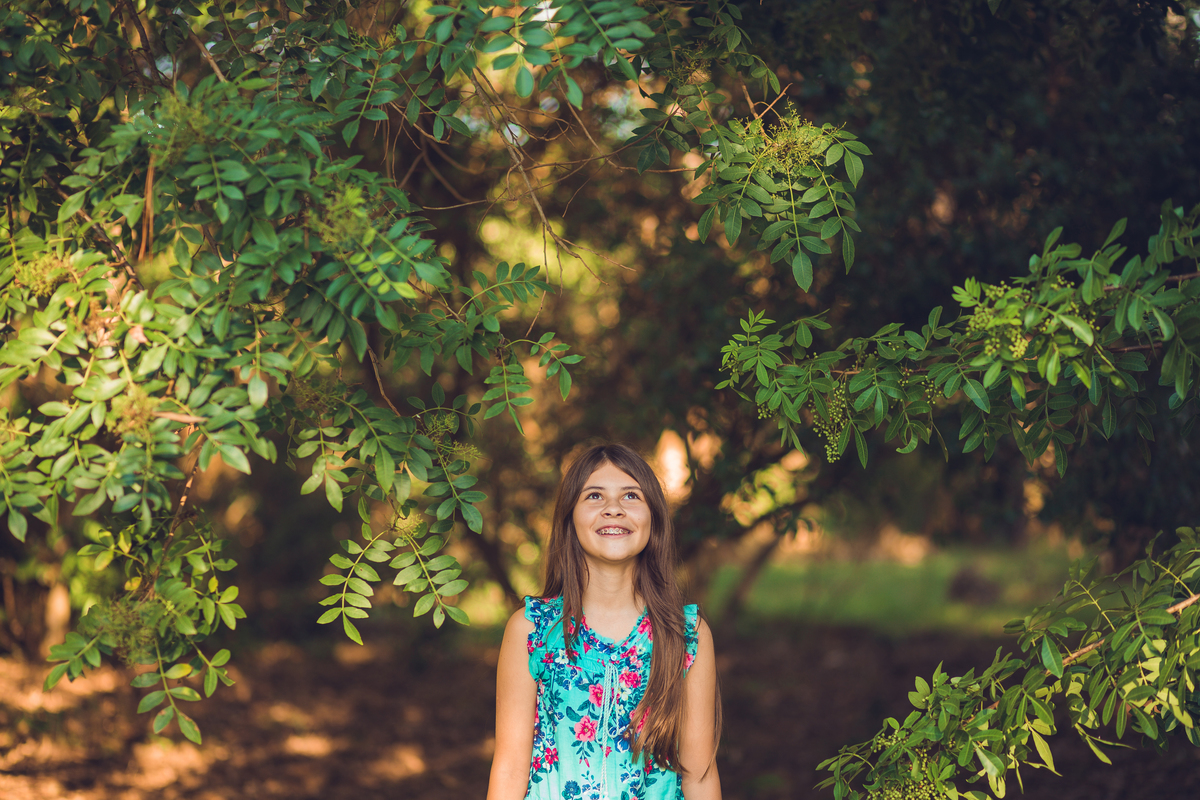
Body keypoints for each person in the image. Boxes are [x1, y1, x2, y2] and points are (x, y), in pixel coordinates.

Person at [487, 443, 722, 800]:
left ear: (653, 518)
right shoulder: (532, 630)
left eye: (631, 496)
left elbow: (699, 777)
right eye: (594, 496)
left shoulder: (686, 634)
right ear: (570, 518)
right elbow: (510, 767)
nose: (613, 508)